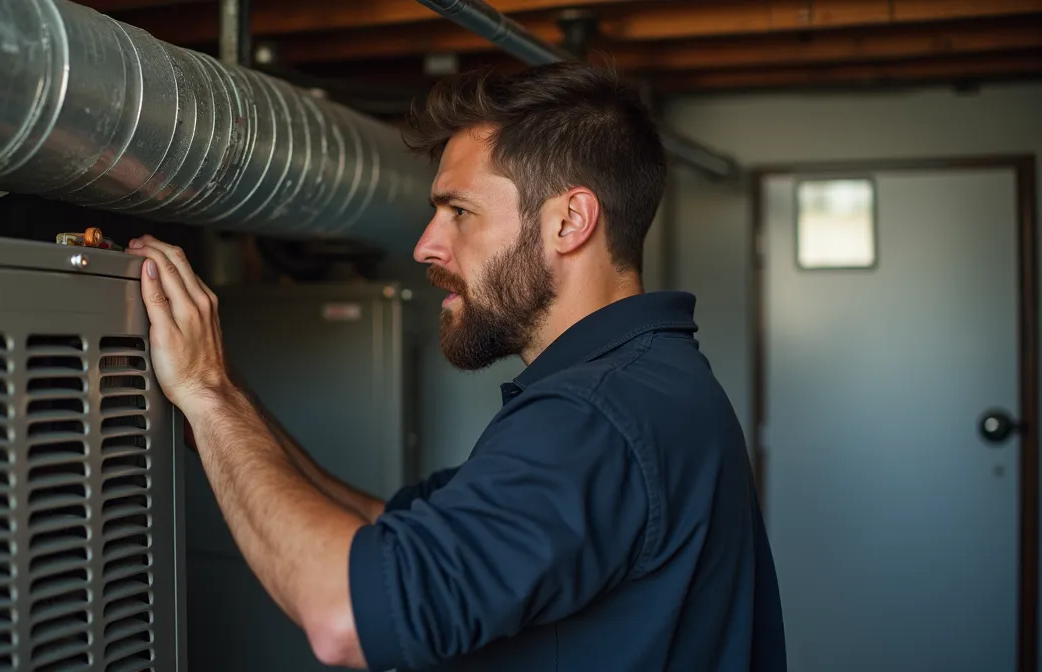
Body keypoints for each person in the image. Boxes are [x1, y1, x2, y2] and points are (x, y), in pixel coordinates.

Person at [125, 60, 786, 671]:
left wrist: (207, 394)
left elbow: (344, 617)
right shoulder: (648, 379)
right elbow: (390, 526)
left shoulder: (591, 417)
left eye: (459, 212)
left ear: (568, 222)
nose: (424, 245)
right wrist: (231, 403)